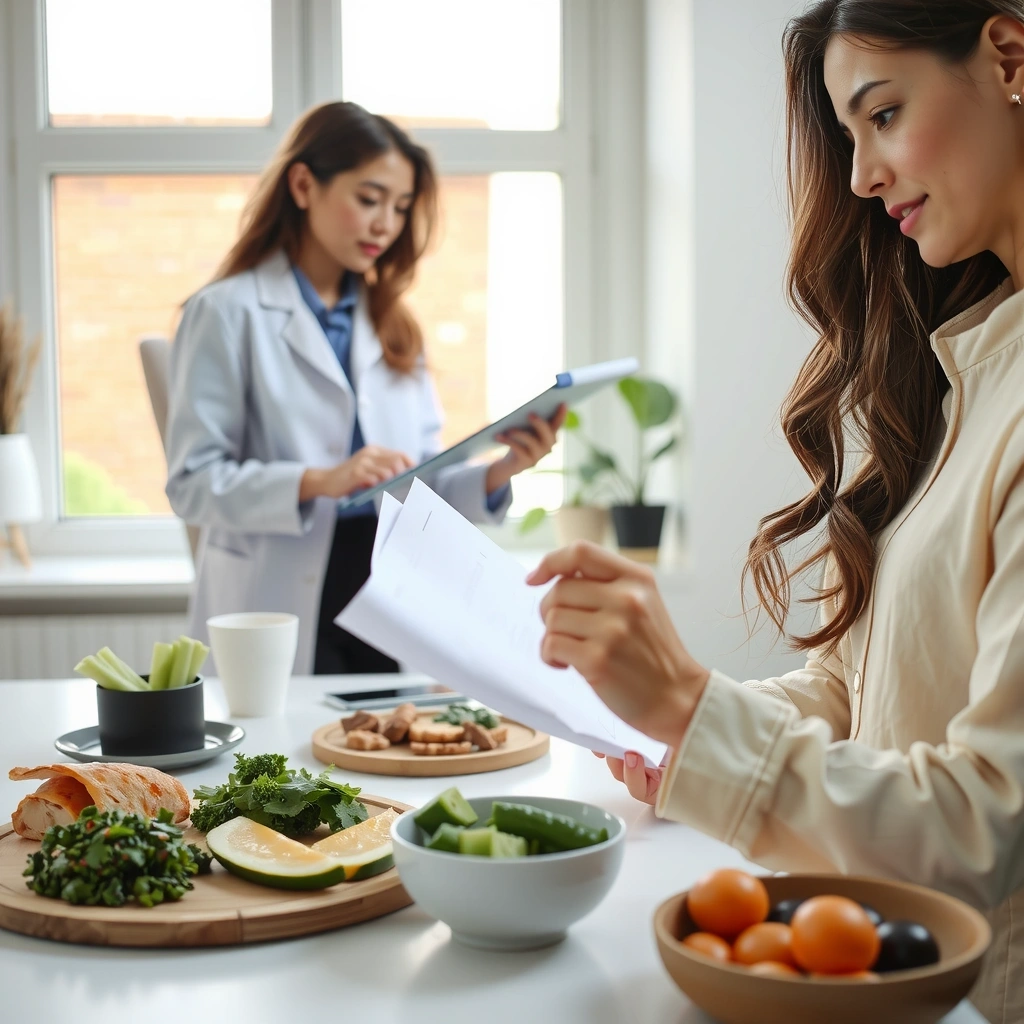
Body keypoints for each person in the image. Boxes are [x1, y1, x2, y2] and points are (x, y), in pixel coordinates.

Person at [528, 3, 1024, 1019]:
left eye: (882, 113)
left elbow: (982, 829)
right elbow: (864, 688)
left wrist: (690, 707)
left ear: (1009, 57)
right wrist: (681, 730)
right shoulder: (967, 366)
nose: (861, 176)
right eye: (849, 135)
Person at [165, 101, 563, 675]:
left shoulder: (394, 325)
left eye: (400, 207)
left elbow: (419, 482)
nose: (386, 224)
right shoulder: (226, 312)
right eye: (370, 199)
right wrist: (319, 481)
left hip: (386, 594)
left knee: (391, 732)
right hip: (277, 600)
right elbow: (193, 485)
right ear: (303, 185)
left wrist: (501, 470)